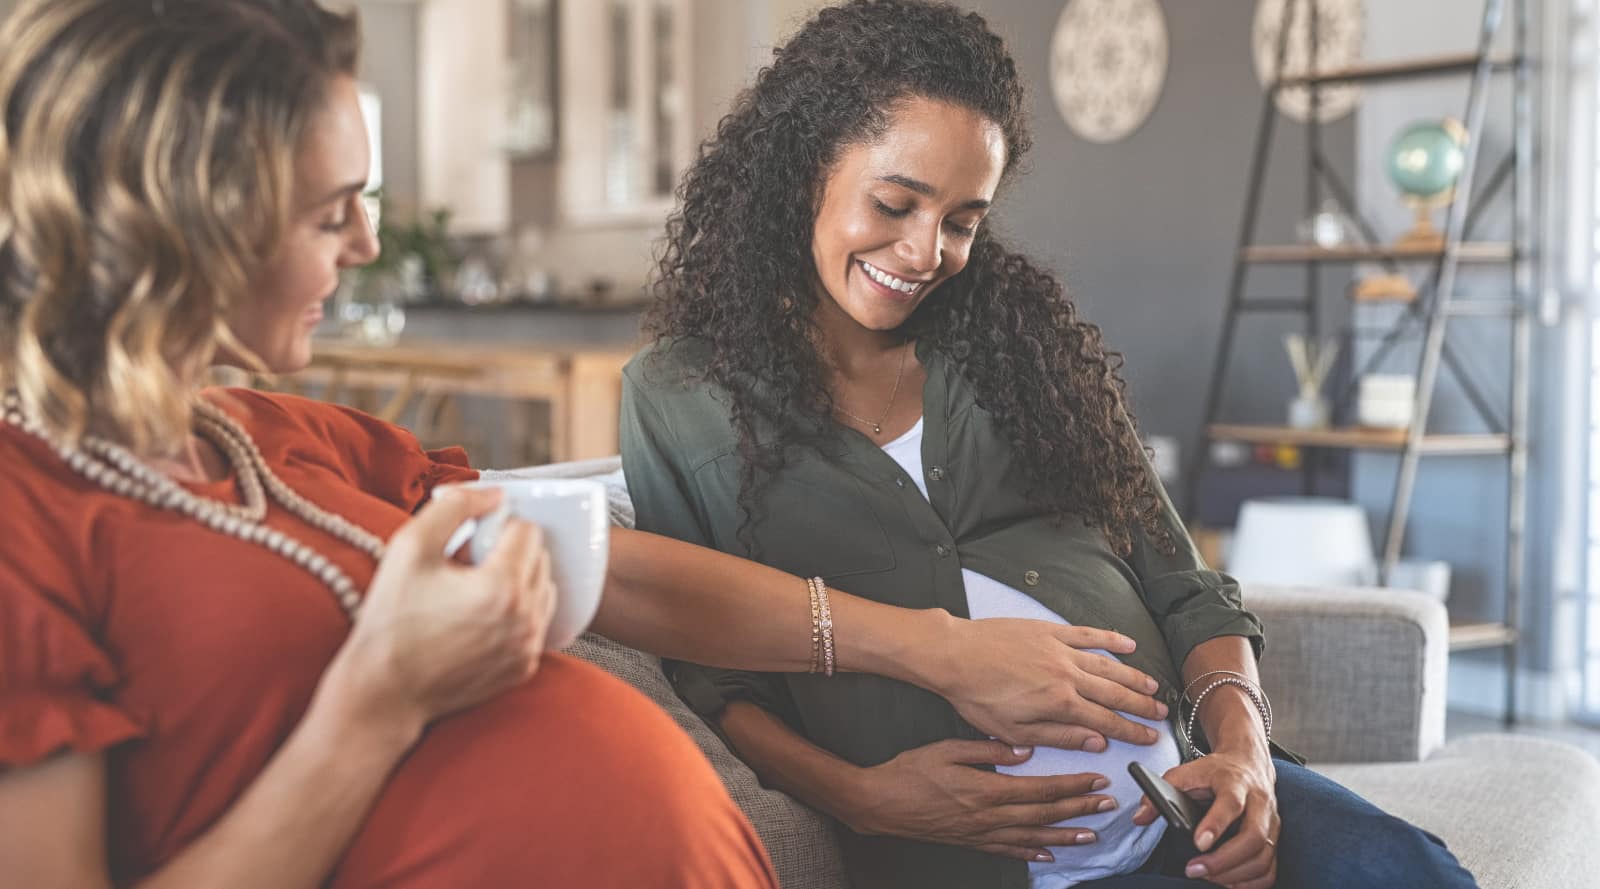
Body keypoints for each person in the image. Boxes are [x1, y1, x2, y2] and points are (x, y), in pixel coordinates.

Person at [0, 1, 1170, 886]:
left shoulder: (281, 437)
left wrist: (931, 649)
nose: (366, 244)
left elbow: (610, 568)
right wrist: (376, 699)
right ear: (182, 221)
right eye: (330, 210)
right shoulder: (22, 513)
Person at [621, 2, 1482, 888]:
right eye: (894, 203)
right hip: (974, 866)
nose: (925, 252)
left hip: (1197, 813)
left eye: (962, 220)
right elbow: (717, 678)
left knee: (1415, 873)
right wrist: (864, 798)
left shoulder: (1019, 346)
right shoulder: (678, 397)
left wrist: (1246, 754)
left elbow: (1186, 585)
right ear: (806, 172)